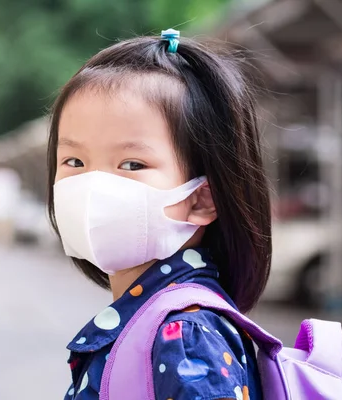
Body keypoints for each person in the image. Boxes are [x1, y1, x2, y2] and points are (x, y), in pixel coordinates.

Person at [47, 29, 271, 400]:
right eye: (74, 161)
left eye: (131, 163)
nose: (92, 185)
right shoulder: (152, 319)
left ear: (201, 200)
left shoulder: (186, 335)